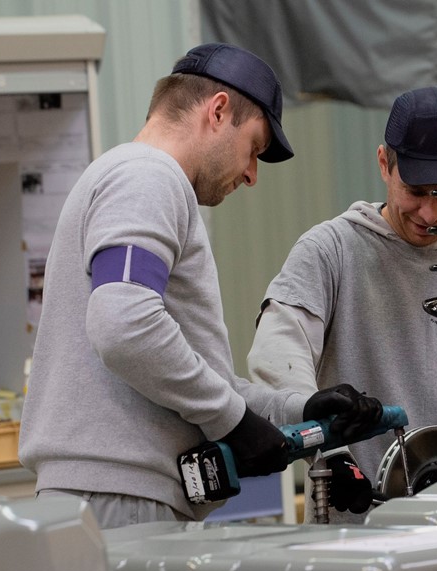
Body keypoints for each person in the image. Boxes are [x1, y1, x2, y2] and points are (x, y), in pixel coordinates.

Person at [20, 43, 378, 530]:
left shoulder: (131, 178)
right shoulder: (148, 177)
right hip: (124, 496)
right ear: (218, 111)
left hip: (114, 494)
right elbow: (124, 325)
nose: (251, 175)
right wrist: (231, 421)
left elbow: (187, 370)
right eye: (254, 148)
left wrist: (297, 408)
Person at [248, 87, 437, 521]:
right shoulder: (331, 253)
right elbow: (276, 359)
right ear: (384, 164)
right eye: (416, 190)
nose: (430, 213)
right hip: (358, 524)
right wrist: (329, 450)